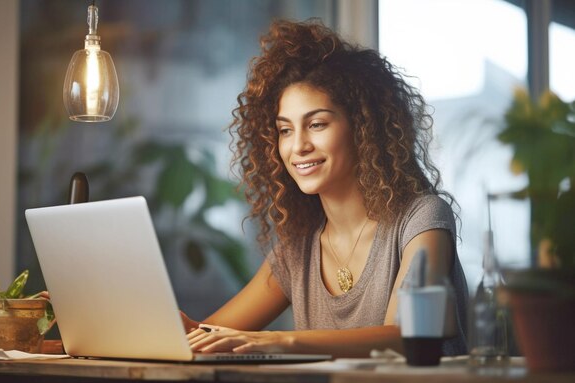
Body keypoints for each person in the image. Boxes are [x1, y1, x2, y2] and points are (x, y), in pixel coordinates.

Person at [182, 18, 468, 358]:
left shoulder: (421, 218)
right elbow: (206, 335)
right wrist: (167, 326)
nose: (298, 146)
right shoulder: (297, 249)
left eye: (316, 124)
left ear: (362, 128)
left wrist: (283, 340)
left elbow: (406, 336)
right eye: (285, 130)